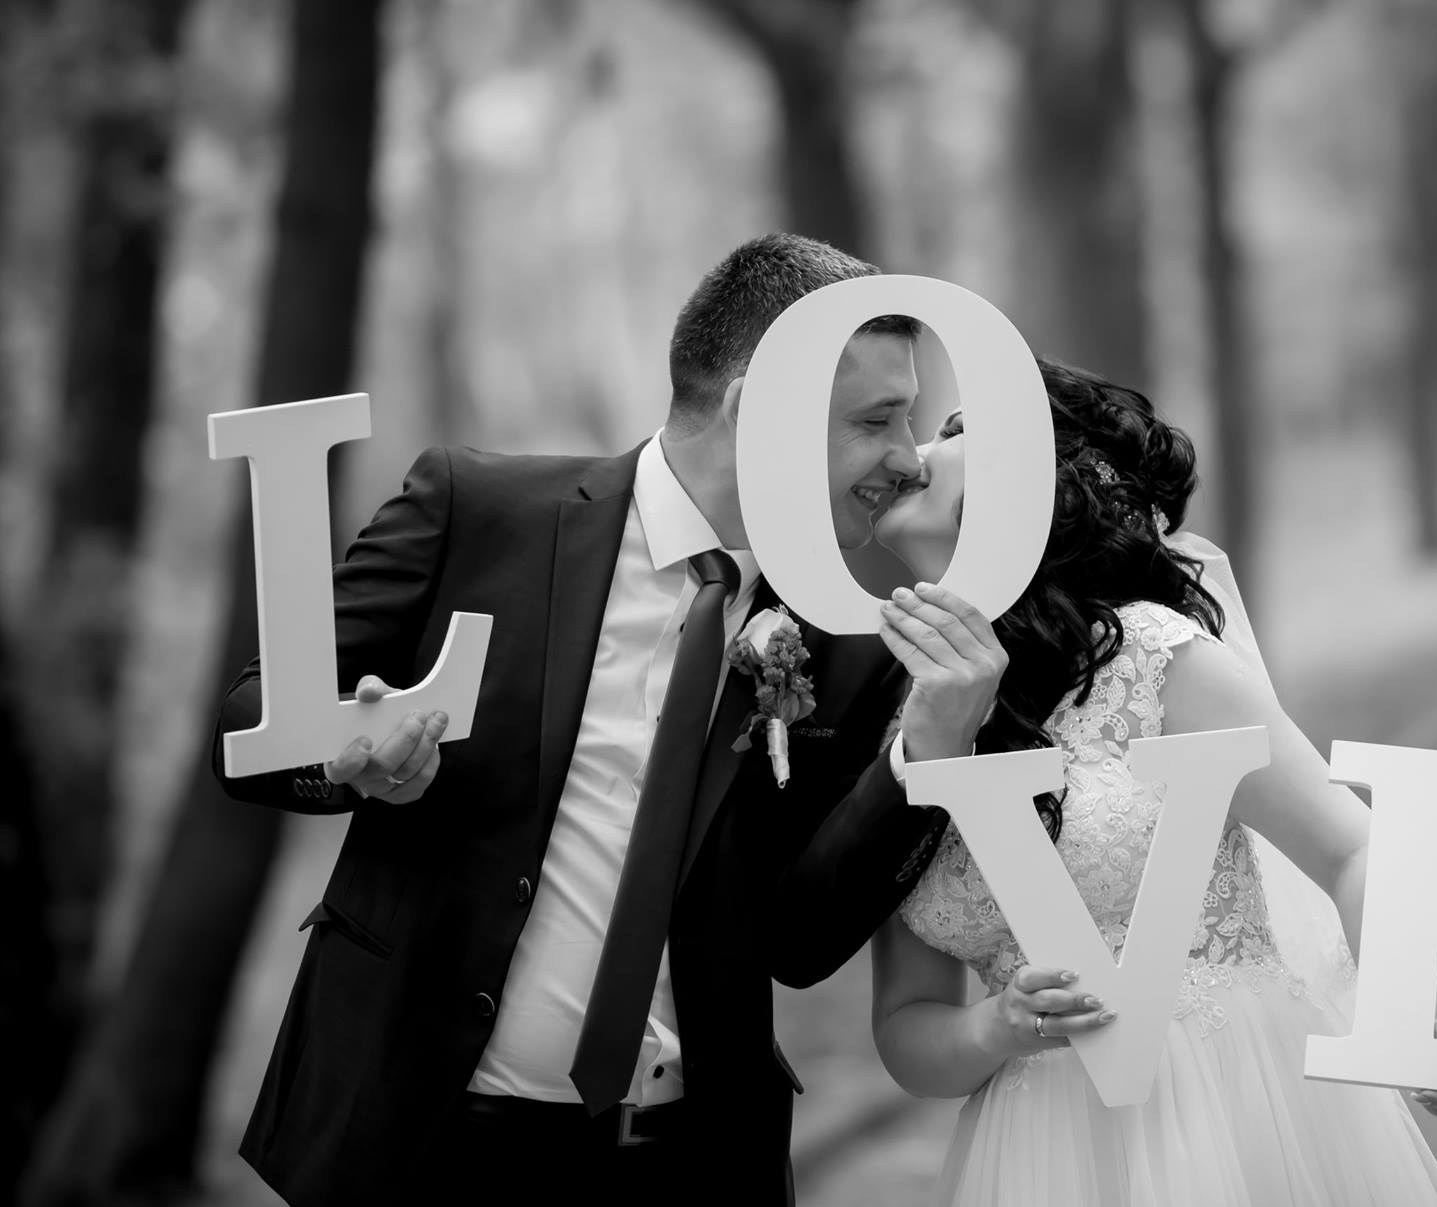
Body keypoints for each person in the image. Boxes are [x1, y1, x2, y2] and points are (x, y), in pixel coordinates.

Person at [212, 234, 999, 1206]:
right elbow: (252, 721)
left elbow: (798, 940)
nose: (908, 459)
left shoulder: (852, 644)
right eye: (877, 419)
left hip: (685, 1161)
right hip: (422, 1136)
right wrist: (347, 756)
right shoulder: (476, 509)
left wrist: (932, 749)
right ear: (761, 407)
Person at [867, 359, 1437, 1205]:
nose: (917, 452)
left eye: (956, 431)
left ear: (1034, 481)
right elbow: (905, 1029)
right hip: (1040, 1150)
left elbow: (1352, 846)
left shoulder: (1152, 661)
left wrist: (1402, 1018)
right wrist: (994, 1025)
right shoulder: (898, 727)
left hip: (1232, 1104)